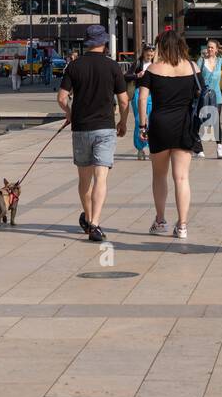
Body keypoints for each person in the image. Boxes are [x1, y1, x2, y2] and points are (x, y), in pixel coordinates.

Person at [57, 25, 128, 244]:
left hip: (81, 128)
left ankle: (88, 218)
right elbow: (124, 100)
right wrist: (123, 122)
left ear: (87, 43)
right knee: (101, 178)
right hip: (105, 128)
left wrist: (69, 114)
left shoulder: (74, 66)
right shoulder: (113, 66)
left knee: (84, 180)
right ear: (104, 43)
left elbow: (61, 98)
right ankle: (95, 224)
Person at [138, 32, 200, 239]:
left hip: (160, 124)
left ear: (161, 47)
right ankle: (182, 226)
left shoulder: (153, 69)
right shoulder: (193, 67)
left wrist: (142, 125)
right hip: (185, 124)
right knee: (182, 177)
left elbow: (142, 98)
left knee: (159, 175)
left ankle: (160, 220)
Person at [197, 39, 222, 159]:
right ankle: (198, 148)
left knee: (215, 122)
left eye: (212, 47)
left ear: (216, 49)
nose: (209, 49)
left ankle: (219, 148)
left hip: (216, 97)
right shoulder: (201, 61)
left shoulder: (220, 61)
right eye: (208, 47)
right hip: (203, 96)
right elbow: (196, 75)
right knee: (200, 122)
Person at [132, 46, 154, 159]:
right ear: (143, 53)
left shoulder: (156, 64)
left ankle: (151, 147)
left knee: (151, 120)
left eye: (151, 55)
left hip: (152, 94)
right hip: (139, 92)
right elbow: (126, 76)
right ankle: (140, 148)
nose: (149, 57)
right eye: (147, 55)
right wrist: (137, 75)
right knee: (139, 120)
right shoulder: (137, 63)